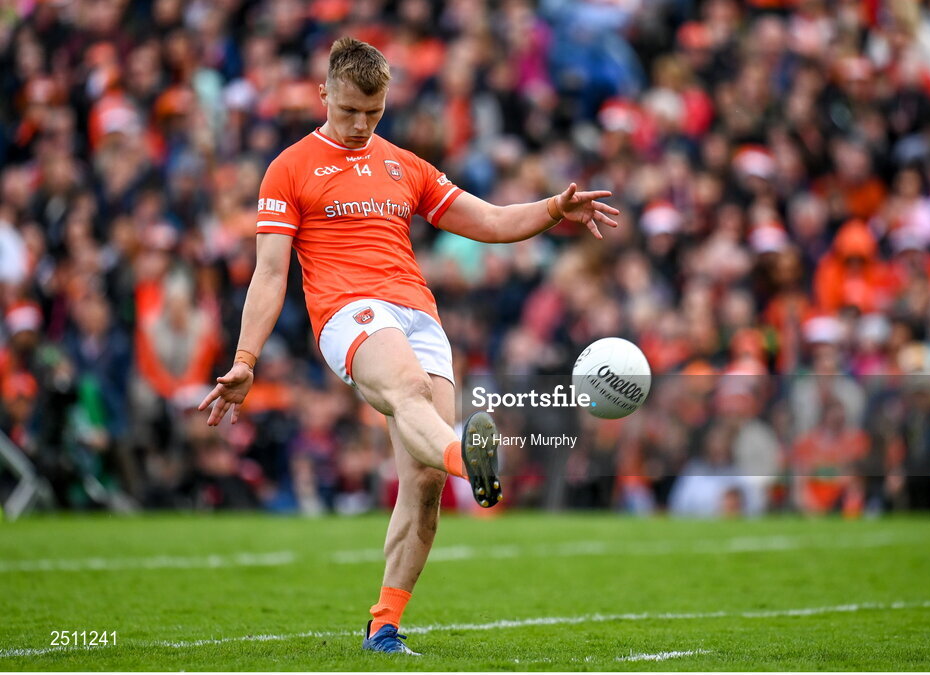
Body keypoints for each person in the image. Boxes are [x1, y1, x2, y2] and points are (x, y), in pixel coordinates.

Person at [197, 37, 618, 655]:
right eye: (348, 112)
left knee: (420, 485)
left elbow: (492, 221)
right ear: (324, 95)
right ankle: (467, 460)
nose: (360, 125)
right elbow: (269, 273)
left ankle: (384, 625)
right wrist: (245, 360)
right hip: (348, 311)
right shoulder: (288, 168)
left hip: (420, 315)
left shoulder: (405, 165)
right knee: (409, 393)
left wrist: (555, 207)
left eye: (374, 112)